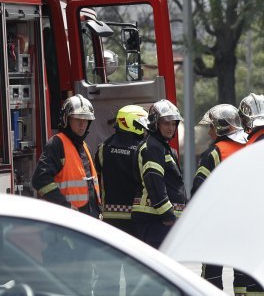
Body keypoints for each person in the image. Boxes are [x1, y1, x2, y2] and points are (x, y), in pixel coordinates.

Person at [190, 104, 264, 296]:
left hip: (218, 223)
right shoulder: (249, 145)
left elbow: (199, 188)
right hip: (244, 223)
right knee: (240, 271)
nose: (208, 132)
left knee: (211, 272)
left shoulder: (214, 152)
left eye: (210, 127)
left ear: (219, 128)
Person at [32, 95, 101, 219]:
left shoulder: (84, 146)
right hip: (67, 218)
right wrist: (65, 206)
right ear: (66, 120)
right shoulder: (57, 144)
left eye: (86, 120)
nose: (82, 124)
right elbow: (40, 180)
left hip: (89, 216)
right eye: (77, 119)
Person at [133, 99, 187, 249]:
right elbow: (155, 183)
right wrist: (168, 216)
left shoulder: (160, 146)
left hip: (158, 220)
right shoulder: (153, 147)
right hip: (155, 221)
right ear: (156, 123)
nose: (171, 128)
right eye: (166, 123)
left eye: (173, 123)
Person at [96, 105, 149, 234]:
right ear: (132, 123)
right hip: (135, 216)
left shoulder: (104, 147)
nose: (144, 129)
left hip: (109, 218)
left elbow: (97, 177)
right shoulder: (141, 149)